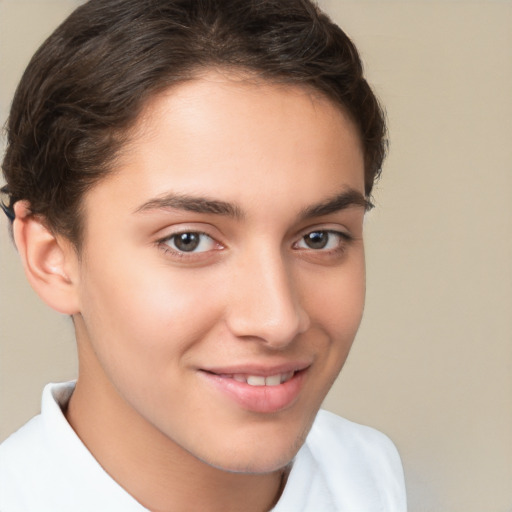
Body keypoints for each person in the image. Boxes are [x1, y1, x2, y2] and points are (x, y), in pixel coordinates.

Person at [0, 0, 406, 510]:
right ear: (51, 257)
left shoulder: (369, 474)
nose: (278, 320)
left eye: (319, 237)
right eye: (187, 240)